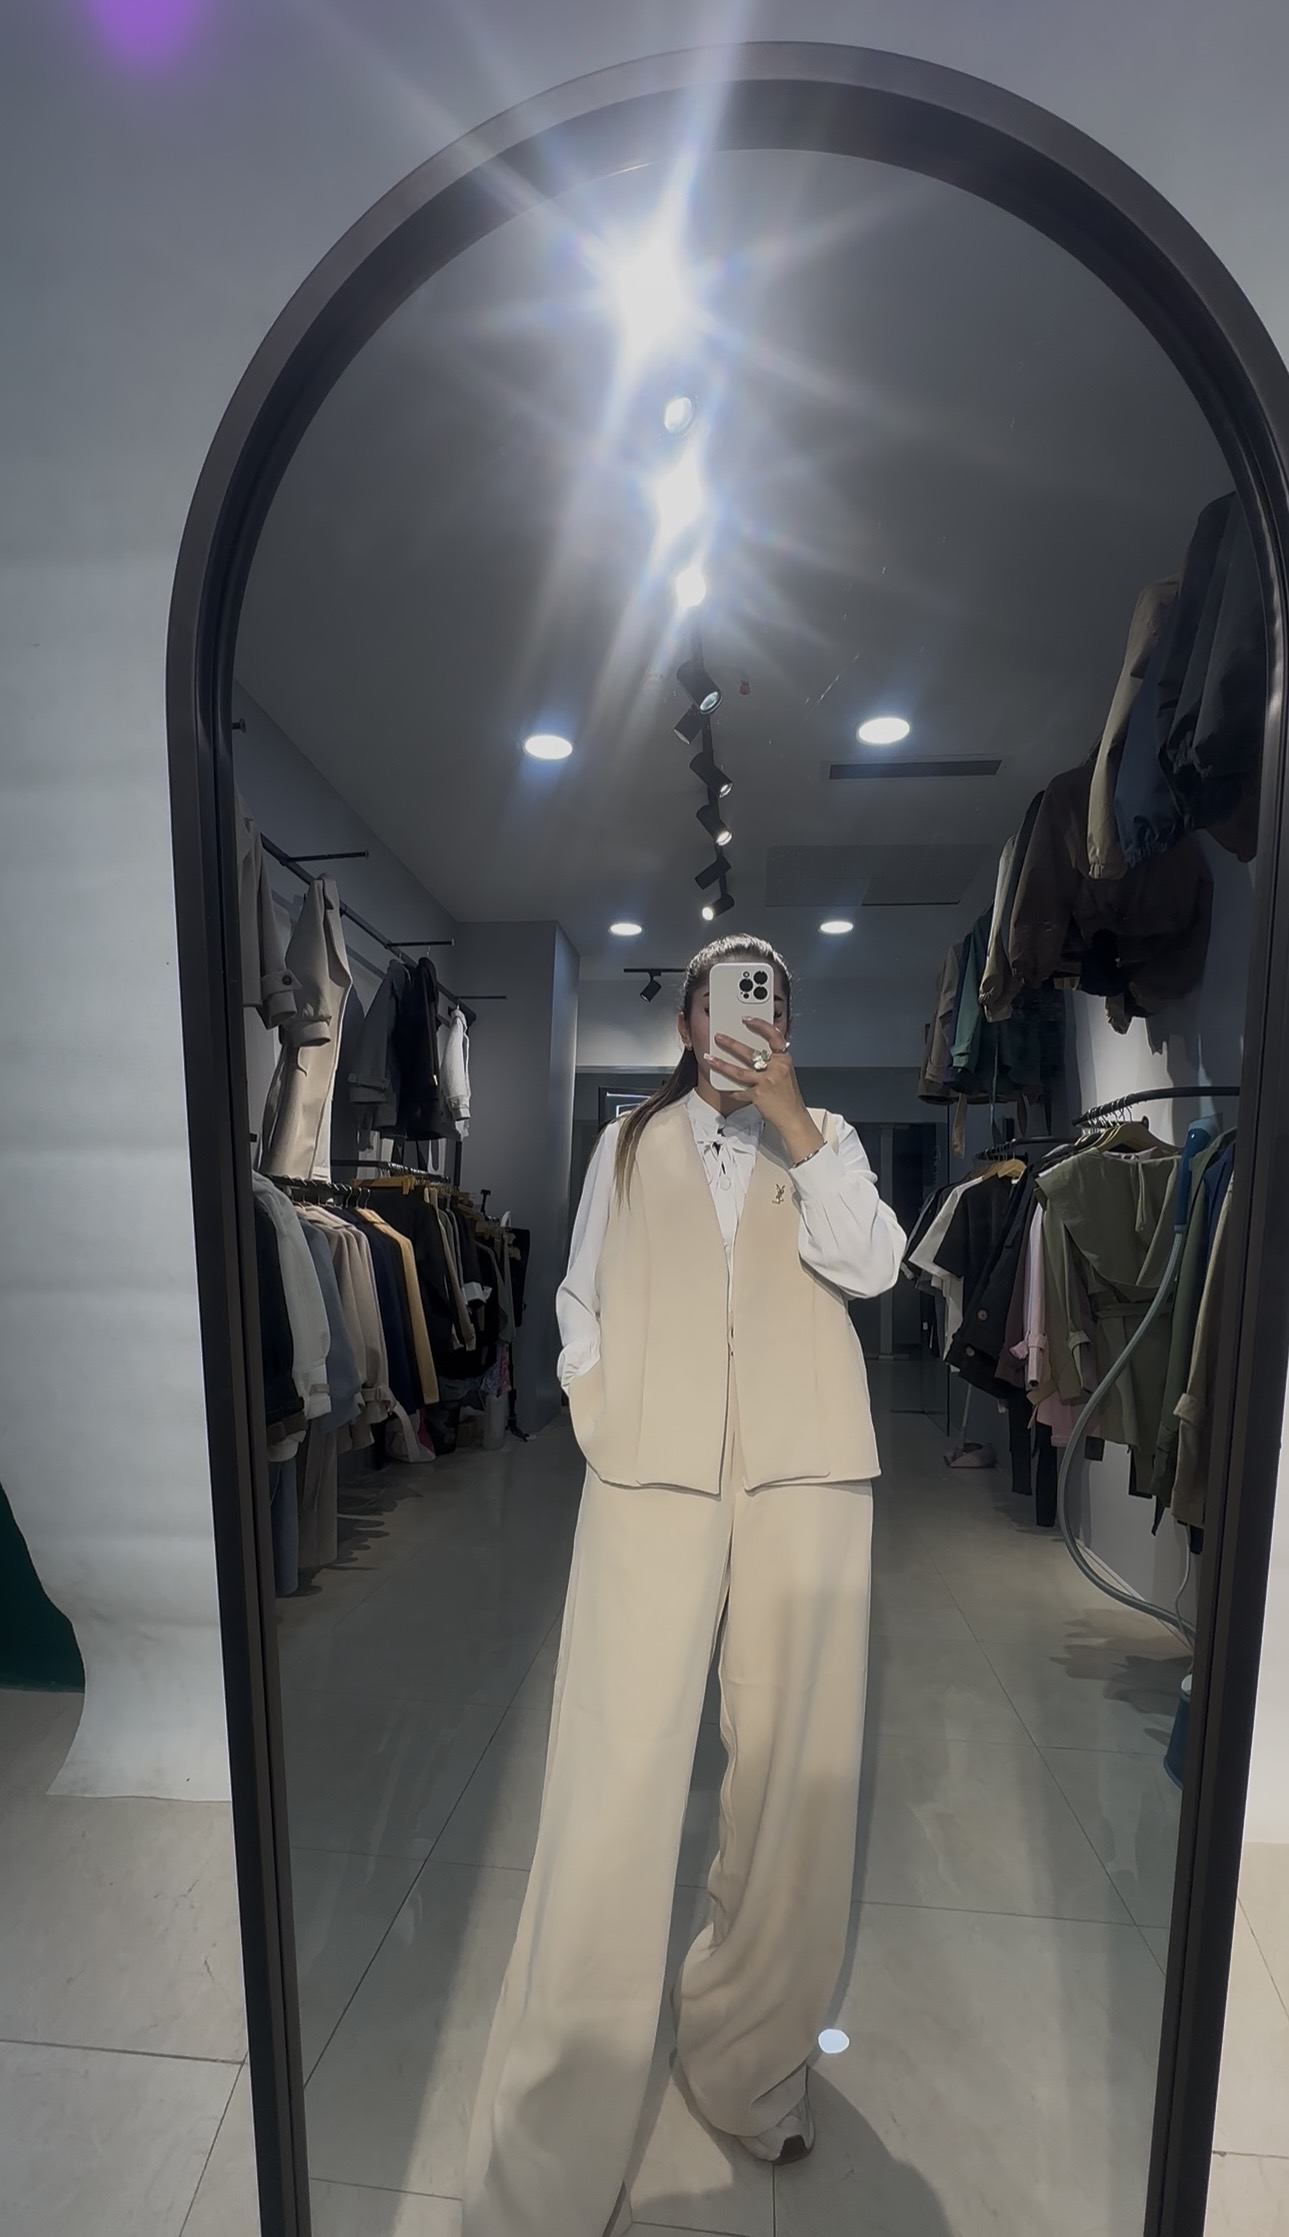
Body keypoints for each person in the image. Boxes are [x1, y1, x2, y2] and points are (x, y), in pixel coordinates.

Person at [463, 936, 905, 2237]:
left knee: (792, 1782)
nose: (742, 1016)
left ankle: (747, 2058)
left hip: (805, 1474)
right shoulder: (624, 1146)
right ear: (687, 1018)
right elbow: (578, 1296)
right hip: (648, 1471)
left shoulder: (823, 1139)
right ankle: (562, 2115)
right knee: (613, 1772)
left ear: (786, 1019)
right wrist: (599, 1406)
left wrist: (795, 1125)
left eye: (767, 996)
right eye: (722, 995)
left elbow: (874, 1265)